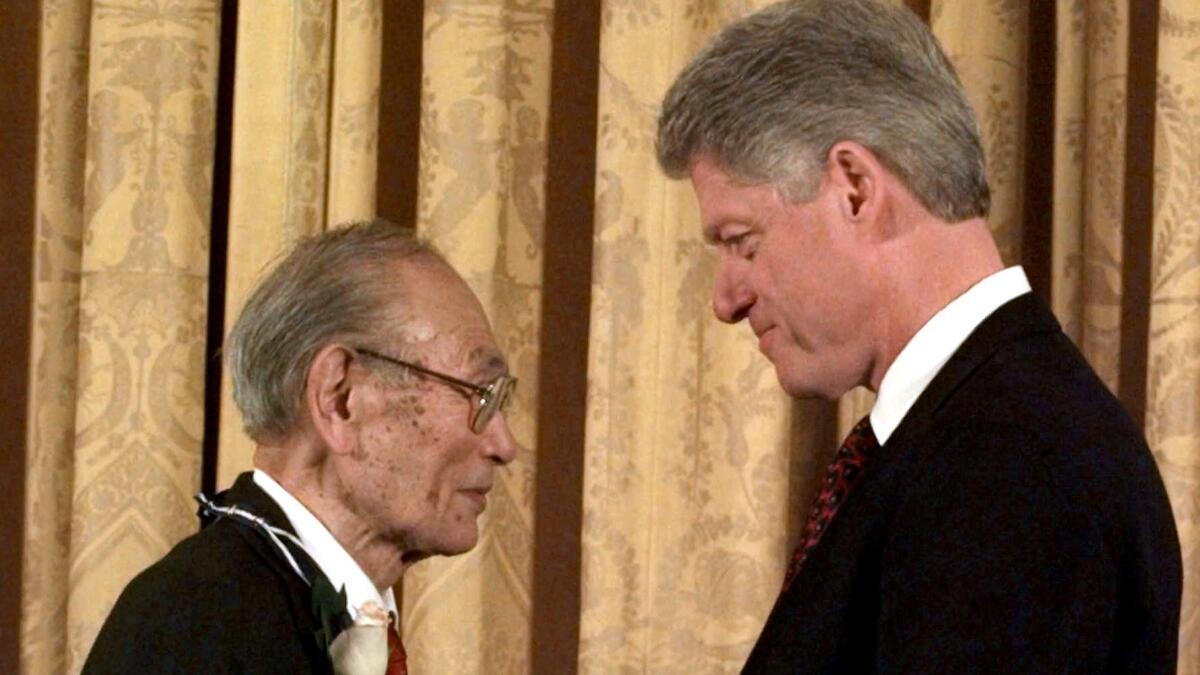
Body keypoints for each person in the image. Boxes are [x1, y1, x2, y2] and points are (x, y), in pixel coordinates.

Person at [656, 0, 1182, 672]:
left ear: (853, 188)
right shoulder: (980, 433)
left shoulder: (1010, 464)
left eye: (740, 241)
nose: (726, 299)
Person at [84, 219, 518, 674]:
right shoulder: (197, 624)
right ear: (340, 399)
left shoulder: (285, 604)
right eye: (479, 394)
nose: (503, 445)